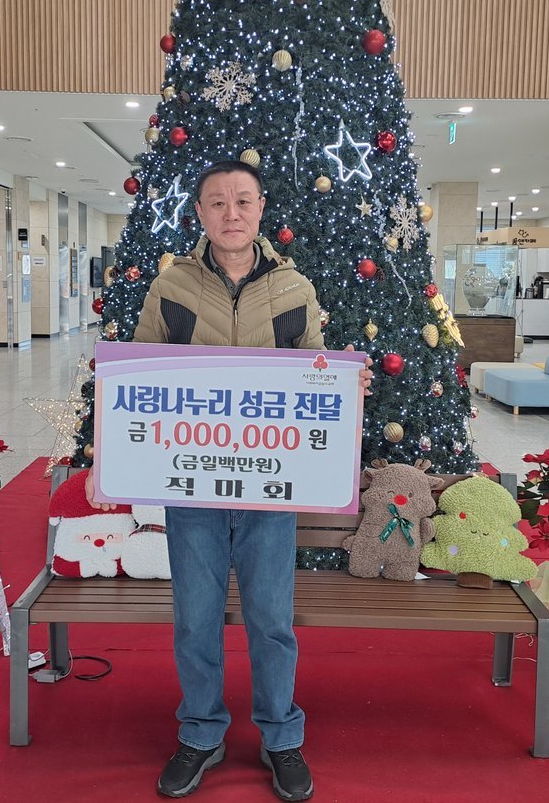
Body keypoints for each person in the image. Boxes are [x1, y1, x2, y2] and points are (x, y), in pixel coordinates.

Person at [94, 161, 371, 801]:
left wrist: (344, 381)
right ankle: (200, 733)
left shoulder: (294, 289)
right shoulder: (171, 287)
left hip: (270, 488)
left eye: (243, 200)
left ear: (261, 208)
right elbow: (140, 369)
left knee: (272, 620)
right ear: (200, 213)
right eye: (217, 202)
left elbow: (316, 372)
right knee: (196, 619)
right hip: (194, 488)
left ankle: (281, 736)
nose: (231, 212)